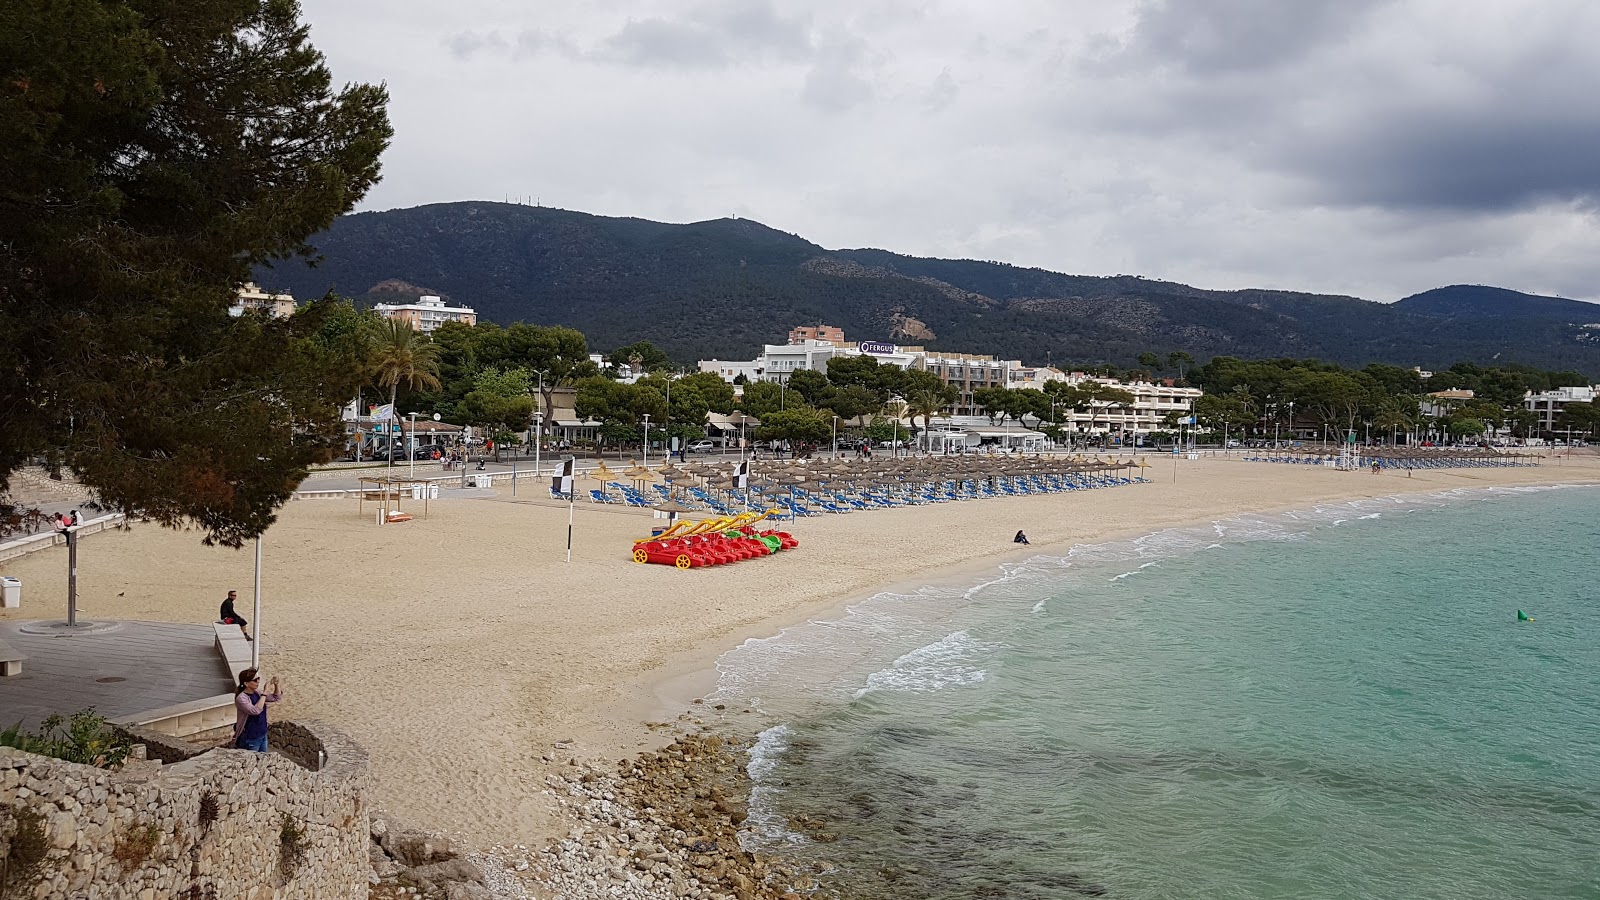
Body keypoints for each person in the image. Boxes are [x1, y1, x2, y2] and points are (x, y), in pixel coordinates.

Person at [232, 667, 281, 752]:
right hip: (250, 737)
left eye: (258, 679)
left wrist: (276, 684)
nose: (258, 681)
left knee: (263, 760)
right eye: (255, 680)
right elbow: (255, 711)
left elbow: (275, 697)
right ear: (246, 683)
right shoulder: (242, 698)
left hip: (262, 733)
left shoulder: (257, 693)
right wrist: (265, 692)